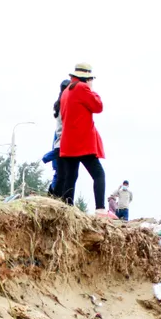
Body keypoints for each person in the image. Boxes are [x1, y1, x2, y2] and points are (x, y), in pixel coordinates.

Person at [57, 62, 106, 216]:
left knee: (71, 177)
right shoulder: (82, 88)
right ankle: (100, 209)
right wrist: (92, 90)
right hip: (82, 142)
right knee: (98, 174)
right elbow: (98, 106)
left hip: (68, 143)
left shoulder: (66, 91)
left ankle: (67, 209)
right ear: (86, 78)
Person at [43, 79, 71, 198]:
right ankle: (55, 197)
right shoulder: (64, 104)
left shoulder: (60, 104)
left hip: (60, 146)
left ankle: (55, 197)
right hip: (63, 146)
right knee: (63, 176)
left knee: (61, 176)